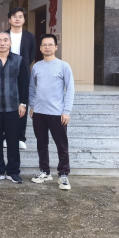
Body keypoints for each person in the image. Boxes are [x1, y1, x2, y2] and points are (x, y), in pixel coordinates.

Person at [29, 34, 75, 191]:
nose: (47, 47)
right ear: (40, 48)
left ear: (56, 47)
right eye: (44, 45)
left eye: (50, 44)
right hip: (39, 112)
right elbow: (31, 88)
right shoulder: (36, 66)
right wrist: (32, 105)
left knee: (61, 145)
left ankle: (63, 174)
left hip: (57, 113)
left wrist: (66, 111)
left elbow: (70, 89)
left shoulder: (63, 66)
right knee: (41, 144)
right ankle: (44, 171)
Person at [0, 32, 30, 184]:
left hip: (13, 107)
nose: (2, 43)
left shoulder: (19, 60)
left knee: (13, 141)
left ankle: (13, 171)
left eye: (5, 40)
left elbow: (24, 83)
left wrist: (23, 103)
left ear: (10, 43)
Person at [6, 7, 37, 151]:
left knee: (22, 104)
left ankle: (20, 137)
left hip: (23, 73)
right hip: (5, 74)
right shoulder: (4, 35)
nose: (17, 19)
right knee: (6, 105)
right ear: (9, 19)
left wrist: (22, 66)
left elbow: (32, 55)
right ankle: (6, 136)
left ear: (24, 20)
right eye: (14, 16)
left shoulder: (30, 37)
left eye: (20, 16)